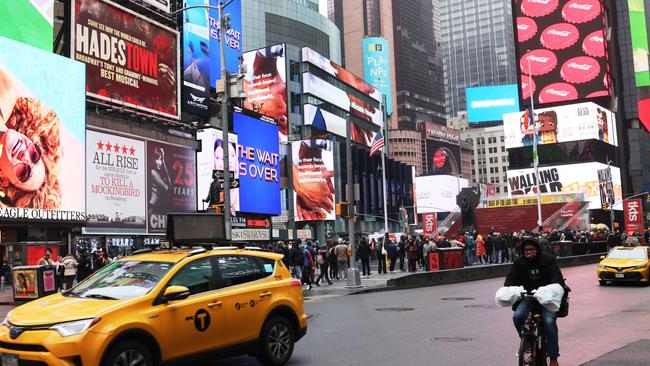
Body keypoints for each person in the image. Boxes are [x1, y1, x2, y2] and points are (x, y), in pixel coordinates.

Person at [505, 238, 563, 366]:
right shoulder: (519, 262)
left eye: (532, 249)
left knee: (549, 322)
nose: (529, 252)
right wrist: (509, 288)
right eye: (526, 250)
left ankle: (553, 357)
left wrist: (553, 287)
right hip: (529, 298)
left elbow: (556, 275)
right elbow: (510, 278)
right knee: (517, 317)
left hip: (547, 299)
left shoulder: (548, 259)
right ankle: (526, 344)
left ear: (537, 249)